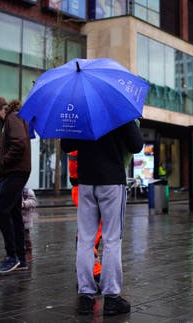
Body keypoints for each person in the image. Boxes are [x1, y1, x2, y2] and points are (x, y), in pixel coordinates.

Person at [62, 120, 143, 316]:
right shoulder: (118, 110)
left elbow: (66, 145)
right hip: (112, 181)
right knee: (112, 239)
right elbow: (136, 145)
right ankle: (112, 298)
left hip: (86, 181)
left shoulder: (82, 110)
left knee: (85, 240)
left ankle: (86, 297)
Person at [0, 97, 32, 274]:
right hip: (17, 171)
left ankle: (11, 256)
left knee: (1, 212)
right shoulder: (16, 117)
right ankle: (21, 259)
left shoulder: (11, 119)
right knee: (14, 214)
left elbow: (19, 143)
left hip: (15, 172)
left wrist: (4, 163)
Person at [69, 150, 103, 283]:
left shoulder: (76, 133)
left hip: (80, 185)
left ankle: (85, 268)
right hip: (87, 186)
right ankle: (93, 271)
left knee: (88, 230)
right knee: (91, 232)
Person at [22, 186, 37, 262]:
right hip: (13, 219)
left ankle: (29, 253)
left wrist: (24, 204)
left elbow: (33, 202)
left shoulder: (27, 191)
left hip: (25, 221)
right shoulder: (10, 188)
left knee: (26, 238)